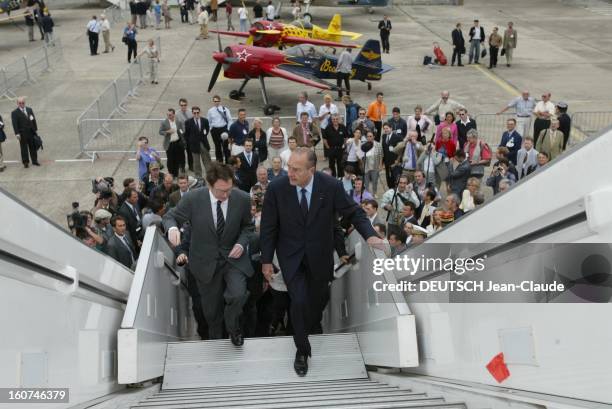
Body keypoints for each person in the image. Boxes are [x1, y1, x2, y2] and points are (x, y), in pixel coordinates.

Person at [260, 147, 381, 376]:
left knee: (315, 303)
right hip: (290, 257)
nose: (290, 173)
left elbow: (354, 212)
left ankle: (308, 327)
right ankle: (302, 350)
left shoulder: (330, 186)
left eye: (296, 170)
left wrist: (370, 235)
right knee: (298, 300)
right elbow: (268, 227)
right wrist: (266, 261)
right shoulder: (277, 188)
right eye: (289, 168)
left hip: (320, 257)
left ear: (311, 170)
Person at [164, 162, 255, 345]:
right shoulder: (193, 199)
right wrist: (172, 228)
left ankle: (233, 327)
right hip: (204, 263)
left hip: (233, 259)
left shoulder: (242, 198)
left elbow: (248, 227)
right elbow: (170, 216)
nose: (226, 194)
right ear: (209, 185)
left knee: (238, 295)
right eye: (221, 191)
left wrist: (241, 243)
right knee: (212, 312)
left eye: (229, 189)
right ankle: (215, 341)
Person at [11, 97, 40, 168]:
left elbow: (33, 120)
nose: (21, 104)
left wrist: (35, 130)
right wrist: (17, 133)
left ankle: (34, 160)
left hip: (31, 132)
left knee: (33, 147)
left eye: (23, 103)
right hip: (22, 133)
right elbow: (14, 124)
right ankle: (25, 162)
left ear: (25, 102)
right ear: (17, 103)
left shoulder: (29, 110)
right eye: (20, 103)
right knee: (24, 148)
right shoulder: (14, 113)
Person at [185, 106, 212, 178]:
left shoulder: (205, 120)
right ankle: (198, 177)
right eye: (194, 113)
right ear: (192, 113)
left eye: (197, 112)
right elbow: (187, 134)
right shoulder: (188, 122)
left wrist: (203, 136)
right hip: (194, 145)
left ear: (200, 112)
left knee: (207, 161)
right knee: (196, 163)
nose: (196, 114)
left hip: (203, 143)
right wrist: (191, 142)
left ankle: (210, 176)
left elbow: (207, 130)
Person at [159, 108, 184, 177]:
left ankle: (176, 174)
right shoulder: (164, 122)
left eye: (170, 115)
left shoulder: (178, 121)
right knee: (170, 160)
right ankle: (171, 174)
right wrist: (167, 132)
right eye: (167, 115)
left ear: (174, 114)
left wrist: (182, 133)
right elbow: (160, 132)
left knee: (177, 159)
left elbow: (182, 129)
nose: (168, 116)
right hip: (169, 144)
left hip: (177, 142)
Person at [207, 95, 232, 164]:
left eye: (217, 101)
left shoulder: (225, 109)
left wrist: (228, 129)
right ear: (213, 102)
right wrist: (211, 129)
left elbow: (230, 120)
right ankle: (219, 163)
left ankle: (228, 163)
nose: (216, 103)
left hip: (223, 129)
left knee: (226, 147)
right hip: (215, 130)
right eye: (215, 101)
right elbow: (209, 121)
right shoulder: (210, 111)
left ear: (220, 101)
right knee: (217, 147)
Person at [359, 131, 383, 195]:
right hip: (366, 166)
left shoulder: (378, 145)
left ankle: (374, 193)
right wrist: (362, 164)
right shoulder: (363, 145)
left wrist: (380, 165)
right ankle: (367, 194)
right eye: (368, 136)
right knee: (366, 182)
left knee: (375, 181)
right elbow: (360, 156)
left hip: (375, 165)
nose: (369, 138)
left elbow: (381, 155)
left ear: (374, 137)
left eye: (370, 136)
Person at [177, 98, 194, 170]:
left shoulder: (190, 112)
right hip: (181, 134)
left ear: (187, 105)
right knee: (181, 152)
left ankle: (191, 166)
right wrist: (181, 135)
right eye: (181, 105)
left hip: (189, 134)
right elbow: (177, 126)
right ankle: (182, 167)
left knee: (190, 151)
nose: (183, 106)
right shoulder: (177, 114)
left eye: (185, 105)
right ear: (179, 105)